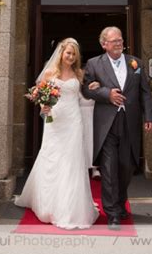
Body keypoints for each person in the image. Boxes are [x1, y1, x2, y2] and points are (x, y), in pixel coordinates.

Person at [15, 37, 99, 229]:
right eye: (68, 53)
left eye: (73, 54)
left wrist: (94, 87)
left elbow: (85, 94)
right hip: (54, 120)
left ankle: (70, 207)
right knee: (52, 158)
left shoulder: (79, 73)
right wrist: (43, 106)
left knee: (72, 160)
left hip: (73, 120)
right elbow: (40, 94)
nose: (70, 57)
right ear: (61, 53)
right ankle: (48, 203)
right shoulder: (50, 72)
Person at [82, 26, 152, 230]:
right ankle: (112, 213)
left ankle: (120, 201)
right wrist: (106, 94)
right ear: (104, 44)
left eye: (120, 40)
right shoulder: (94, 64)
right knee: (109, 168)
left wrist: (148, 116)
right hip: (106, 124)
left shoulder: (136, 63)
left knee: (127, 165)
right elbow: (86, 89)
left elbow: (145, 93)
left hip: (129, 122)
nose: (119, 43)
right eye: (114, 41)